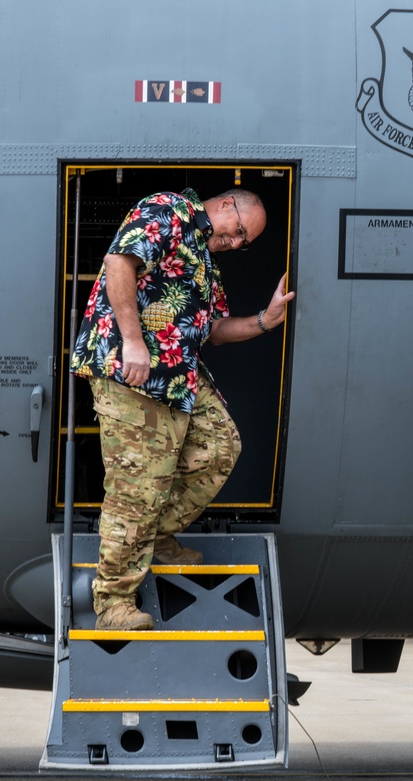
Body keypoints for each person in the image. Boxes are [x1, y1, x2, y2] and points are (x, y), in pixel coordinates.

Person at [70, 187, 295, 631]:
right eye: (238, 232)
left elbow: (212, 329)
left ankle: (155, 536)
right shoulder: (169, 210)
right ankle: (113, 603)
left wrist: (265, 319)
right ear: (227, 205)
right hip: (131, 368)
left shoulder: (205, 262)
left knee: (219, 445)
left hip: (177, 376)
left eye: (243, 243)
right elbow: (119, 263)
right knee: (137, 485)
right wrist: (134, 342)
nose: (235, 243)